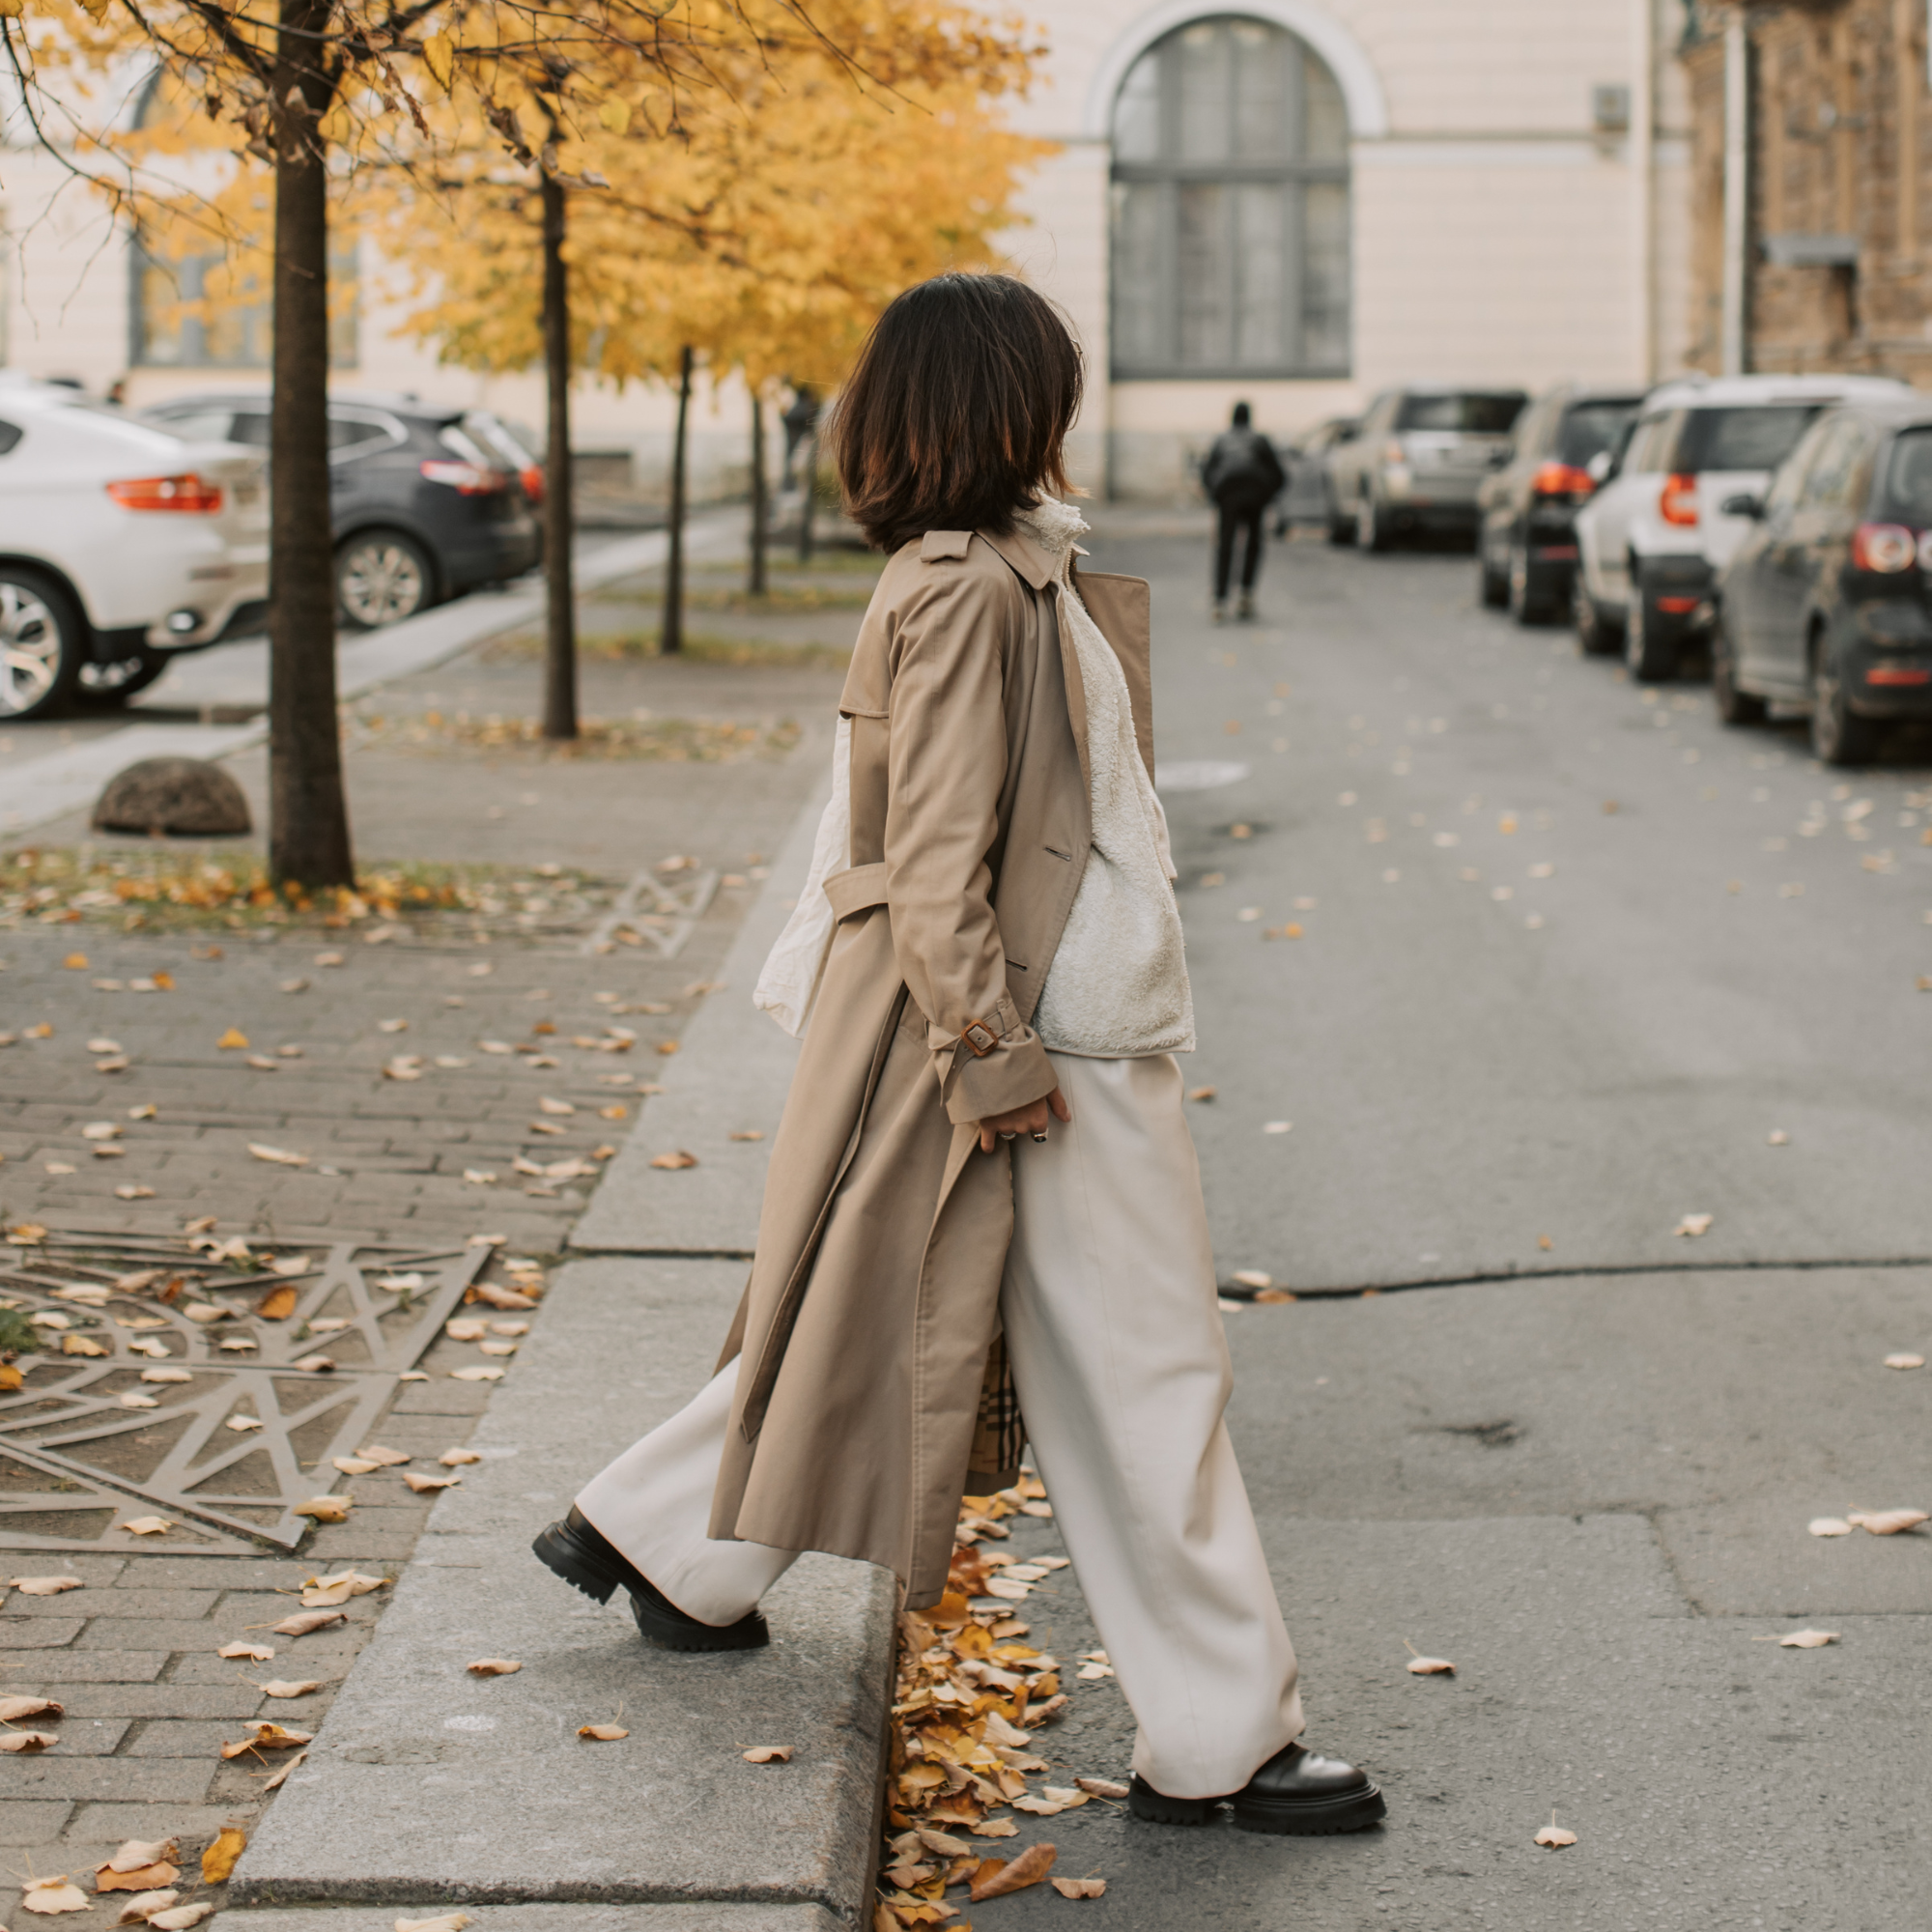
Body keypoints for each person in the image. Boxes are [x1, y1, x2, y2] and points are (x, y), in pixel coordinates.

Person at [531, 272, 1385, 1839]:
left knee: (880, 1311)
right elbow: (937, 865)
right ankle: (1218, 1743)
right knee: (1145, 1376)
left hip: (1023, 1028)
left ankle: (661, 1537)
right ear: (1007, 405)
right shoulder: (972, 593)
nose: (1066, 408)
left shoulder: (986, 575)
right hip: (1040, 1042)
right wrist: (999, 1062)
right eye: (1051, 385)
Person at [1202, 401, 1286, 622]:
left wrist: (1216, 497)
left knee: (1225, 546)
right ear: (1249, 418)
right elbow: (1279, 474)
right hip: (1255, 496)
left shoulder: (1221, 440)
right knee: (1253, 545)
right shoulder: (1259, 441)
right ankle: (1246, 595)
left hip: (1228, 497)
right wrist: (1268, 496)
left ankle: (1220, 600)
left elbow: (1208, 472)